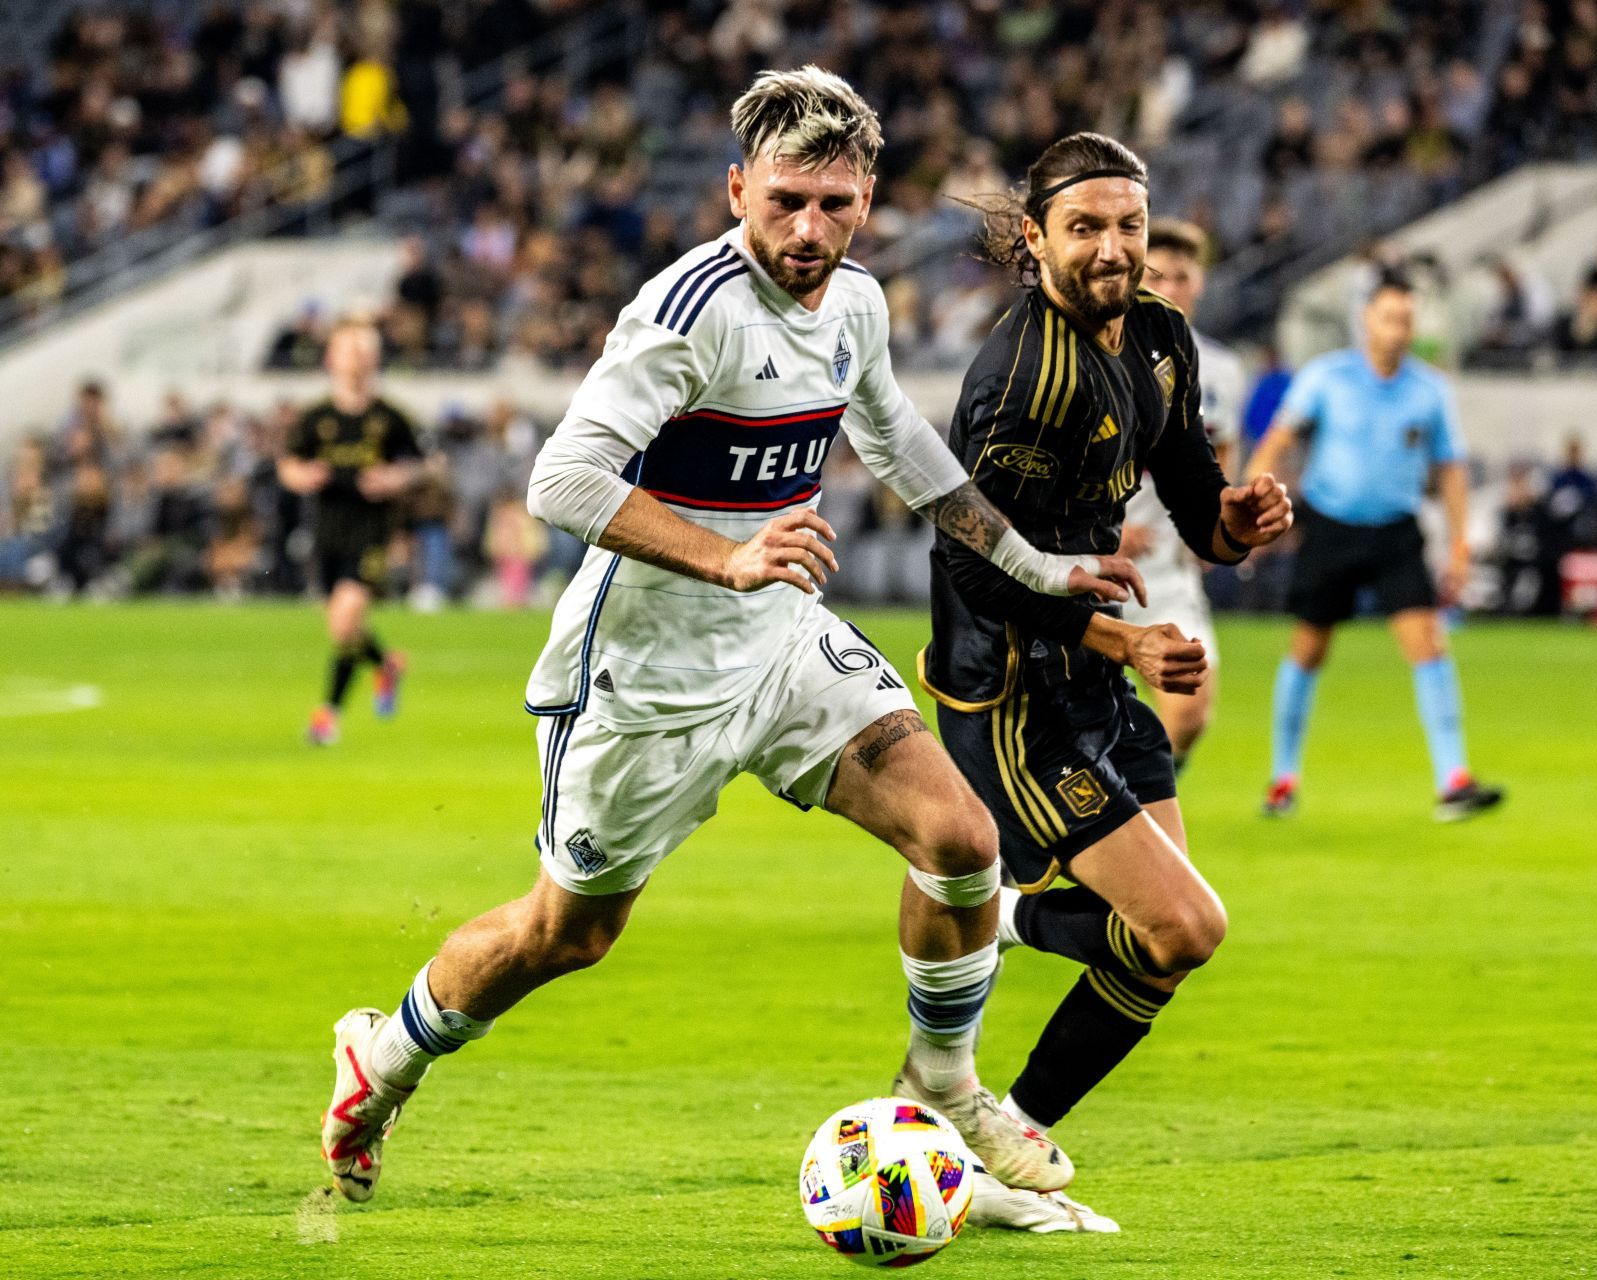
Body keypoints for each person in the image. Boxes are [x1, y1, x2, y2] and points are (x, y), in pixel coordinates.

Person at [320, 66, 1143, 1210]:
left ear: (868, 199)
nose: (809, 232)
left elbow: (897, 436)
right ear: (735, 189)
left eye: (836, 205)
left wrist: (1039, 568)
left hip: (779, 641)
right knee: (567, 930)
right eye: (784, 202)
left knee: (961, 839)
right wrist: (728, 553)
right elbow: (561, 478)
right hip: (643, 672)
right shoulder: (688, 310)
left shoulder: (855, 302)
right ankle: (387, 1055)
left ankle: (944, 1083)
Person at [920, 132, 1293, 1231]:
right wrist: (1117, 637)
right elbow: (967, 561)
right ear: (1034, 239)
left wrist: (1234, 525)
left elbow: (1191, 497)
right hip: (1010, 698)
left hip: (1092, 668)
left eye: (1128, 224)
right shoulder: (1022, 380)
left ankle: (994, 1124)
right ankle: (994, 1097)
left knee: (1161, 936)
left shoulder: (1163, 339)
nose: (1115, 247)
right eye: (1086, 227)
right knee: (1184, 924)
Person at [1245, 275, 1503, 821]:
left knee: (1429, 644)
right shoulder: (1327, 377)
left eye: (1406, 320)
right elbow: (1278, 440)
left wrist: (1460, 544)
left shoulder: (1430, 389)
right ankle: (1282, 779)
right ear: (1366, 321)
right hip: (1331, 526)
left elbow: (1451, 472)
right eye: (1389, 318)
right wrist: (1246, 505)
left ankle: (1453, 780)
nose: (1398, 330)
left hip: (1395, 531)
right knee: (1309, 650)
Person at [1116, 218, 1250, 771]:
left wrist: (1216, 525)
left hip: (1169, 566)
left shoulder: (1223, 370)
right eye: (1161, 276)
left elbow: (1223, 455)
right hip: (1095, 558)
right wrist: (1103, 528)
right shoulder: (1110, 355)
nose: (1173, 288)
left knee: (1190, 713)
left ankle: (1123, 821)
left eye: (1185, 276)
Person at [277, 321, 420, 745]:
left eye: (363, 351)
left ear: (375, 359)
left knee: (345, 619)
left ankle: (327, 718)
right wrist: (303, 475)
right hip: (327, 531)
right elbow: (288, 464)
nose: (355, 359)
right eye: (347, 350)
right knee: (343, 629)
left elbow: (421, 464)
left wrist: (395, 478)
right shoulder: (316, 417)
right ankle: (386, 665)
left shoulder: (390, 417)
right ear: (331, 359)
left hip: (372, 530)